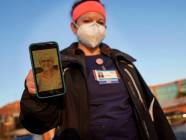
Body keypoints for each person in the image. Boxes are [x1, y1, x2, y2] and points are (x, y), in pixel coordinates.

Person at [19, 0, 177, 140]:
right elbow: (38, 124)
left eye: (100, 22)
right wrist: (34, 97)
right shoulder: (61, 67)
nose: (95, 26)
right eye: (87, 20)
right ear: (74, 27)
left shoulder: (124, 64)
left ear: (105, 27)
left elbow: (152, 111)